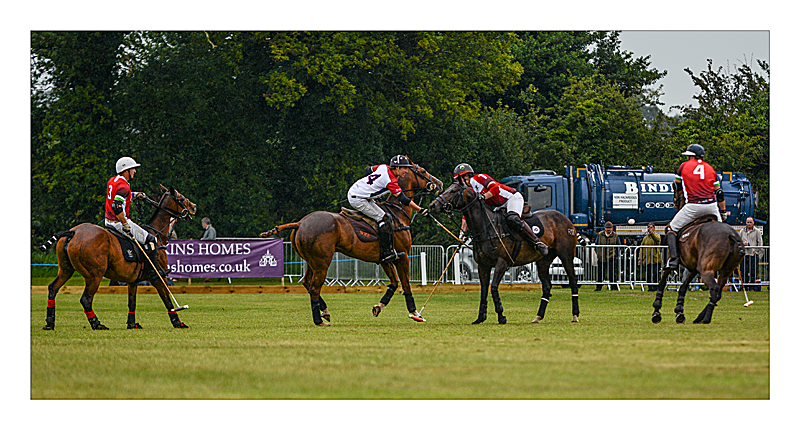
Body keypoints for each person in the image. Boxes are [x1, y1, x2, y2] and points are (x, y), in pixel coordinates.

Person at [452, 163, 548, 255]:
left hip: (511, 197)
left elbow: (495, 188)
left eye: (460, 179)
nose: (460, 182)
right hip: (499, 205)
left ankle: (537, 242)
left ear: (467, 176)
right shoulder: (470, 191)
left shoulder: (480, 177)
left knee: (513, 219)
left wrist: (484, 196)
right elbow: (467, 213)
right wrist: (462, 234)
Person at [347, 155, 429, 263]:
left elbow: (368, 170)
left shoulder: (383, 167)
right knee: (384, 218)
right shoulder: (391, 180)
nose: (406, 171)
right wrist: (420, 209)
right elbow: (403, 199)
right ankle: (386, 252)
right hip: (358, 199)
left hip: (356, 190)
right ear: (397, 168)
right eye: (404, 168)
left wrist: (372, 186)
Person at [664, 144, 725, 270]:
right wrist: (723, 212)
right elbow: (719, 192)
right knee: (722, 233)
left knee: (671, 228)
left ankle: (674, 260)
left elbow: (677, 186)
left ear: (692, 156)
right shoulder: (710, 168)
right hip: (712, 206)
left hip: (693, 206)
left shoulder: (684, 166)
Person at [105, 156, 164, 277]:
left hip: (108, 221)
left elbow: (120, 195)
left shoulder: (113, 180)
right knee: (151, 240)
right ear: (126, 170)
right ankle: (152, 272)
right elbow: (117, 206)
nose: (135, 171)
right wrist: (125, 224)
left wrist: (134, 194)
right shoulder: (124, 186)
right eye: (133, 169)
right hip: (119, 222)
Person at [739, 216, 763, 291]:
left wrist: (756, 252)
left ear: (753, 223)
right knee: (744, 272)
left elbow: (760, 243)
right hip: (744, 255)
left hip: (753, 255)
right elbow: (738, 242)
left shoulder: (757, 231)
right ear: (746, 223)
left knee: (753, 272)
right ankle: (745, 287)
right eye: (748, 222)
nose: (749, 224)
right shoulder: (742, 231)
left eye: (750, 222)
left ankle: (752, 287)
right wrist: (743, 244)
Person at [595, 221, 620, 290]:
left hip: (611, 257)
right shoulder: (600, 235)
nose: (608, 229)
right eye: (607, 228)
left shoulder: (615, 236)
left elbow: (618, 246)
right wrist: (598, 254)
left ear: (612, 228)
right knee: (600, 273)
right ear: (605, 228)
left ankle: (613, 287)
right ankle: (599, 287)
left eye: (610, 228)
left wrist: (615, 255)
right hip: (601, 257)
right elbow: (596, 245)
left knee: (612, 273)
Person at [638, 223, 662, 291]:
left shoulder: (657, 236)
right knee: (648, 274)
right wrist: (640, 258)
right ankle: (650, 287)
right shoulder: (645, 238)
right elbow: (641, 248)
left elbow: (657, 240)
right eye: (648, 227)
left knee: (656, 273)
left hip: (655, 259)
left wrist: (652, 233)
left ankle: (656, 287)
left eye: (651, 227)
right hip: (647, 259)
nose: (649, 228)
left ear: (654, 228)